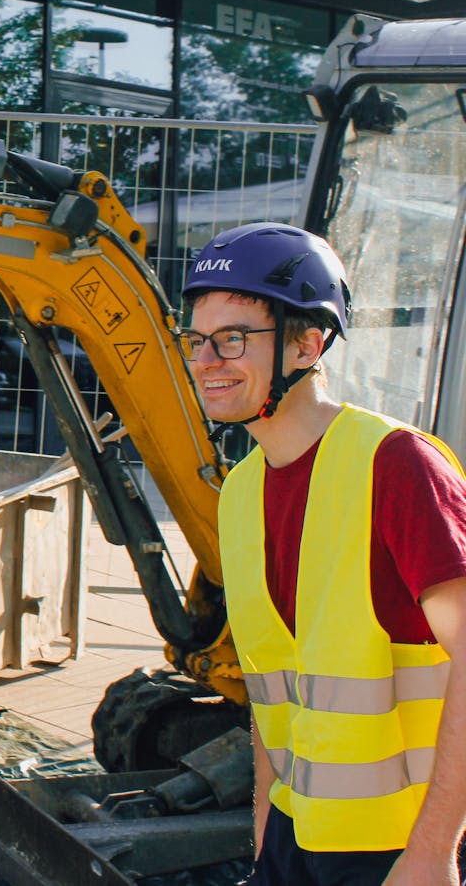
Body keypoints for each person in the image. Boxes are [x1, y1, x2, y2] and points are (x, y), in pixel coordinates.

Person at [180, 222, 466, 886]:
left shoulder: (396, 466)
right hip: (295, 836)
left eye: (232, 338)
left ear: (308, 343)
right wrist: (265, 828)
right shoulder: (242, 490)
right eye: (196, 339)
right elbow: (275, 684)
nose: (204, 360)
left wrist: (432, 852)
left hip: (401, 850)